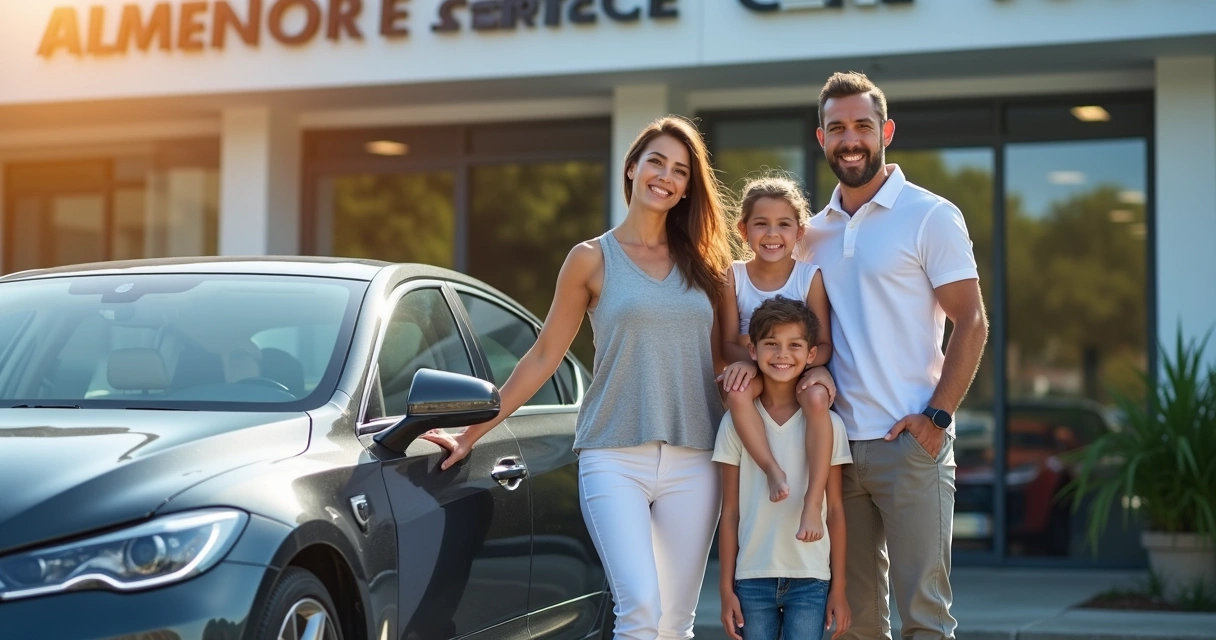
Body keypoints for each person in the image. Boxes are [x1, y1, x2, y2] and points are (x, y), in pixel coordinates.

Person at [422, 115, 734, 640]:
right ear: (632, 169)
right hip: (614, 456)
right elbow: (544, 356)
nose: (666, 176)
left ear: (687, 189)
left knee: (676, 621)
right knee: (639, 609)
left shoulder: (706, 264)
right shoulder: (591, 259)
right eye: (656, 161)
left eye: (681, 171)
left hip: (695, 457)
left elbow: (725, 357)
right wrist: (472, 431)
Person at [795, 71, 989, 640]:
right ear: (821, 138)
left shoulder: (930, 215)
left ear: (887, 132)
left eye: (862, 126)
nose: (850, 139)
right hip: (836, 448)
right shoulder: (811, 233)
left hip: (910, 444)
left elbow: (972, 320)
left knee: (924, 619)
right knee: (852, 622)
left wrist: (937, 417)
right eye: (837, 128)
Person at [714, 296, 851, 640]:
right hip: (751, 579)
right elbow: (729, 512)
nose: (782, 354)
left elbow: (834, 509)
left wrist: (839, 588)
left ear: (811, 355)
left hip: (811, 578)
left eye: (794, 345)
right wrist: (725, 588)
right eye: (771, 344)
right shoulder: (735, 425)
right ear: (753, 350)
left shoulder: (829, 425)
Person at [716, 174, 835, 543]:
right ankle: (771, 469)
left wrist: (812, 370)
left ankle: (813, 501)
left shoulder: (808, 276)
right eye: (761, 224)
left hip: (795, 373)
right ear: (743, 230)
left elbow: (825, 344)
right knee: (737, 392)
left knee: (816, 398)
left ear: (799, 232)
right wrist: (753, 362)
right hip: (753, 370)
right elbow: (726, 343)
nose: (772, 234)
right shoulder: (732, 277)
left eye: (784, 224)